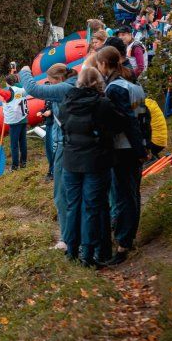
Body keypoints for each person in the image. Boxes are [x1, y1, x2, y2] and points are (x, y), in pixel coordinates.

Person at [60, 67, 120, 267]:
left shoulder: (67, 102)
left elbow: (63, 126)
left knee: (72, 206)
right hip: (95, 161)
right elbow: (117, 125)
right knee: (91, 207)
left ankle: (71, 249)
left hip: (71, 160)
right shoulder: (102, 104)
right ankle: (88, 253)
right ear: (98, 82)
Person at [19, 63, 77, 251]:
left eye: (51, 83)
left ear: (59, 79)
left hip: (65, 145)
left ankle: (66, 238)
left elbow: (33, 88)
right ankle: (75, 234)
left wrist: (25, 71)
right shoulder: (77, 84)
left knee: (61, 194)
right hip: (72, 144)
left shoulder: (65, 88)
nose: (50, 87)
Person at [97, 46, 147, 265]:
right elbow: (143, 118)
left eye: (99, 64)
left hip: (123, 148)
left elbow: (127, 121)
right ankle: (128, 237)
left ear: (104, 64)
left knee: (124, 195)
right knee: (132, 193)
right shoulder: (134, 85)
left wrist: (138, 149)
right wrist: (145, 146)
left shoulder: (114, 89)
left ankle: (123, 243)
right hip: (136, 146)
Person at [0, 68, 29, 171]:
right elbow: (17, 80)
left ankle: (15, 166)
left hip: (15, 121)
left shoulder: (8, 94)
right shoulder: (22, 88)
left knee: (14, 145)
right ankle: (24, 162)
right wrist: (14, 71)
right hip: (24, 119)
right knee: (23, 142)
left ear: (8, 84)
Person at [37, 100, 55, 180]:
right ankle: (51, 169)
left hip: (54, 125)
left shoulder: (58, 91)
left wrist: (51, 112)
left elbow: (63, 107)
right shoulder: (48, 96)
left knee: (53, 149)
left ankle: (53, 171)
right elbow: (46, 107)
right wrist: (41, 111)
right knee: (48, 149)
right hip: (48, 124)